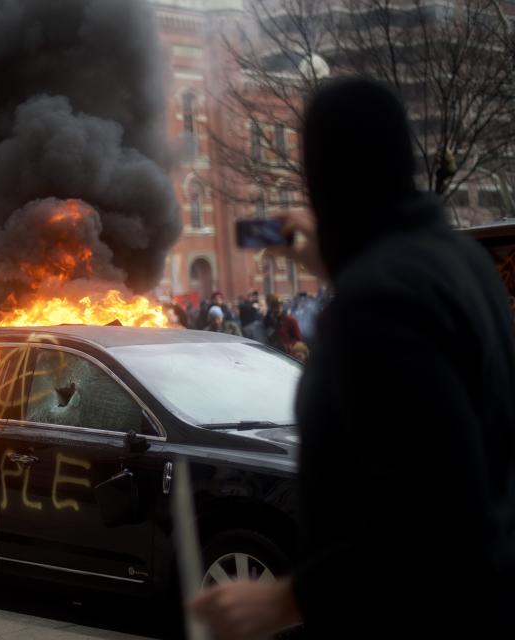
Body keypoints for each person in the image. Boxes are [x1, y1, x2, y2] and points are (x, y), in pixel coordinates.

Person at [191, 78, 515, 638]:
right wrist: (345, 262)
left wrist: (286, 599)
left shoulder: (378, 300)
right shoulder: (463, 262)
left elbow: (432, 504)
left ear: (323, 179)